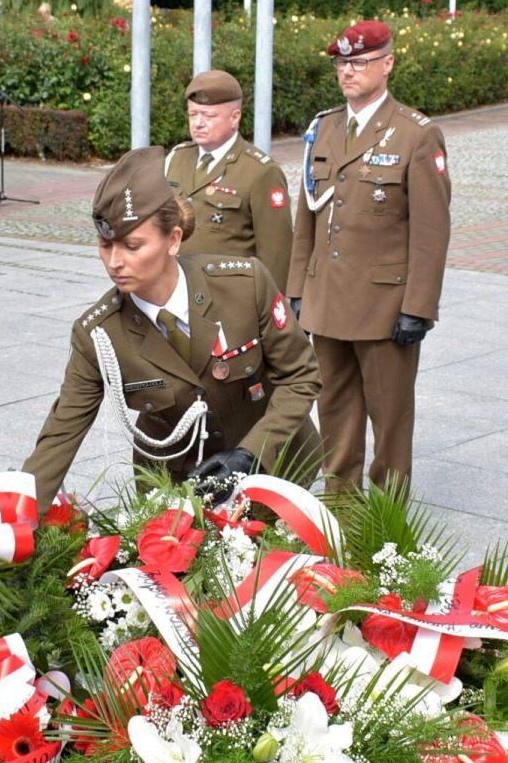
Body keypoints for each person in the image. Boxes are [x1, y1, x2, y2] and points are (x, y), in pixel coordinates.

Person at [21, 146, 321, 506]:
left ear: (173, 239)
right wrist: (17, 511)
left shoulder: (245, 284)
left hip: (274, 464)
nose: (115, 262)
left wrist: (250, 454)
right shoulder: (98, 333)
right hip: (179, 486)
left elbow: (301, 376)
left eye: (132, 245)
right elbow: (61, 433)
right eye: (105, 245)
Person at [289, 19, 451, 491]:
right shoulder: (325, 128)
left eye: (359, 62)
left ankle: (385, 522)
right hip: (328, 298)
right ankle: (341, 507)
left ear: (388, 64)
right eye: (342, 63)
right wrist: (298, 287)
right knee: (335, 410)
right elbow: (309, 218)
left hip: (384, 306)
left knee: (390, 418)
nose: (348, 72)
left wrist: (418, 307)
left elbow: (430, 231)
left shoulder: (416, 134)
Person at [164, 70, 294, 278]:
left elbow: (276, 253)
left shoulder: (260, 171)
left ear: (235, 118)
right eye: (193, 114)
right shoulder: (176, 158)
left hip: (228, 295)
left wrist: (270, 304)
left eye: (208, 116)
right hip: (176, 288)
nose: (198, 123)